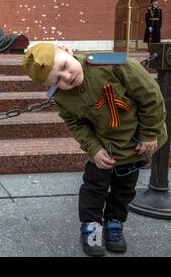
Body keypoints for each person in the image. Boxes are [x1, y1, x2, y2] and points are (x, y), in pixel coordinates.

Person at [22, 43, 167, 256]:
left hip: (134, 142)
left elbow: (150, 95)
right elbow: (76, 124)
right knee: (93, 188)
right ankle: (91, 227)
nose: (66, 77)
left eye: (64, 66)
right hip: (102, 148)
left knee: (124, 189)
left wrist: (149, 132)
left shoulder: (112, 64)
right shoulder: (61, 96)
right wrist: (94, 149)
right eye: (57, 80)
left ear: (67, 50)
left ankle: (114, 223)